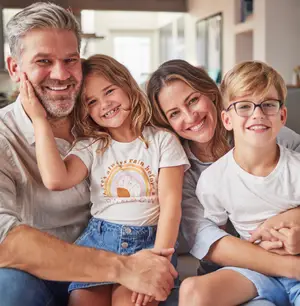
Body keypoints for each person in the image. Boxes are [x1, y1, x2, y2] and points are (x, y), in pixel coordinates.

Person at [0, 3, 178, 306]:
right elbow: (4, 241)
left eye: (70, 60)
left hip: (127, 256)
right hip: (41, 274)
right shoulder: (4, 135)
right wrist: (125, 268)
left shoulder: (104, 126)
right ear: (15, 68)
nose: (60, 74)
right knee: (9, 286)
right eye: (43, 60)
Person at [147, 59, 300, 306]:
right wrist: (290, 266)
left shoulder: (259, 127)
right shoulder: (182, 171)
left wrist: (284, 222)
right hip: (242, 270)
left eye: (193, 100)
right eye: (175, 113)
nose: (190, 116)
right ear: (167, 122)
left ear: (211, 93)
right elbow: (206, 239)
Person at [193, 60, 300, 305]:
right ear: (227, 119)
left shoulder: (296, 168)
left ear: (282, 115)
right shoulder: (213, 180)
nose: (258, 114)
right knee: (193, 291)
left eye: (268, 105)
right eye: (243, 106)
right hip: (255, 272)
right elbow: (216, 236)